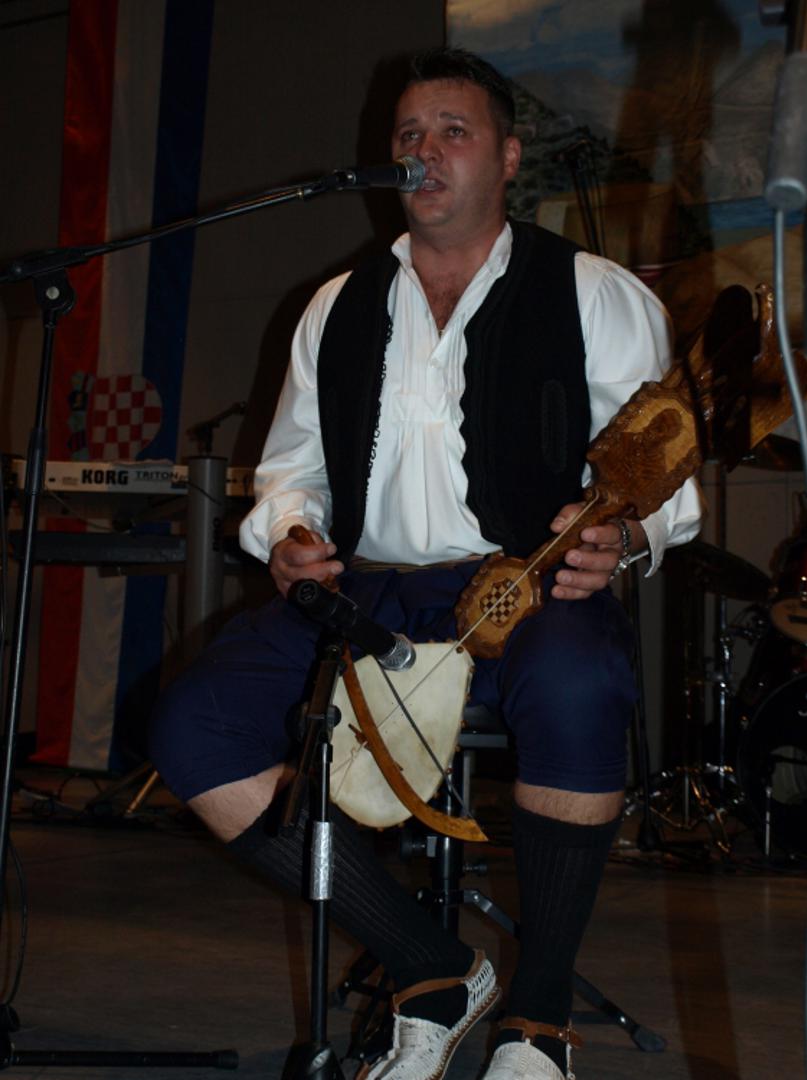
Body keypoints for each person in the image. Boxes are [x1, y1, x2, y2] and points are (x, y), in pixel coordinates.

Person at [151, 47, 702, 1080]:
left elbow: (662, 470)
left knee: (580, 684)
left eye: (453, 131)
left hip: (529, 587)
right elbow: (291, 470)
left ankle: (537, 1022)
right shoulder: (335, 305)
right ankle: (432, 970)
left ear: (508, 156)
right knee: (193, 727)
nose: (425, 151)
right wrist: (293, 535)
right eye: (408, 135)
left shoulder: (593, 292)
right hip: (363, 593)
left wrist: (623, 538)